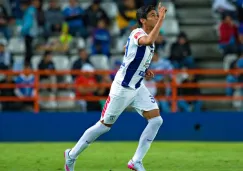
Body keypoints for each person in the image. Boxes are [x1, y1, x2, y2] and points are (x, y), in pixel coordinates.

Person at [64, 3, 167, 171]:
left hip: (138, 86)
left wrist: (143, 69)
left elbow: (128, 50)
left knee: (156, 120)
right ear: (142, 20)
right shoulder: (138, 33)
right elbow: (146, 41)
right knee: (103, 126)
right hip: (123, 88)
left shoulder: (147, 36)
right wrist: (162, 20)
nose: (157, 17)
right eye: (153, 15)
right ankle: (71, 155)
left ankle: (136, 161)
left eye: (157, 15)